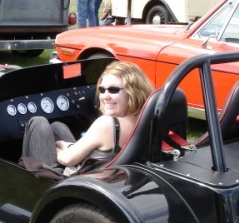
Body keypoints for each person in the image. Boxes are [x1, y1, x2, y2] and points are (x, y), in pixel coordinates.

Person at [22, 60, 154, 176]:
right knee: (57, 126)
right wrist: (70, 147)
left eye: (113, 90)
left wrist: (56, 150)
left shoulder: (107, 124)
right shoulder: (146, 120)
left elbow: (67, 160)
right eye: (102, 90)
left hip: (69, 180)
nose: (104, 96)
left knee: (38, 121)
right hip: (108, 174)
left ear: (133, 91)